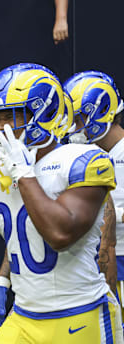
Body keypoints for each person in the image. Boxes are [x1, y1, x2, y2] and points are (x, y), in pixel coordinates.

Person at [0, 62, 124, 344]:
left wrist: (24, 172)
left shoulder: (83, 159)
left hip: (81, 314)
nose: (1, 127)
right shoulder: (2, 170)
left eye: (11, 116)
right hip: (24, 316)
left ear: (44, 114)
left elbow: (59, 234)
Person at [64, 70, 124, 320]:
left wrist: (111, 215)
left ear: (101, 111)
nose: (72, 128)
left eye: (78, 119)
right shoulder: (83, 156)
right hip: (96, 263)